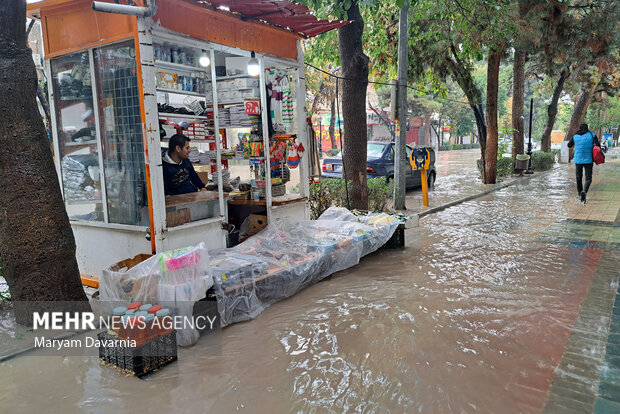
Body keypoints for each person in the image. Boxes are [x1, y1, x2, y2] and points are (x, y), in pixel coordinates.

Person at [567, 123, 600, 204]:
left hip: (578, 160)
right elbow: (598, 145)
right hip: (588, 159)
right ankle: (584, 191)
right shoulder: (592, 135)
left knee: (579, 178)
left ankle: (579, 194)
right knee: (588, 178)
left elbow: (569, 145)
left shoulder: (575, 136)